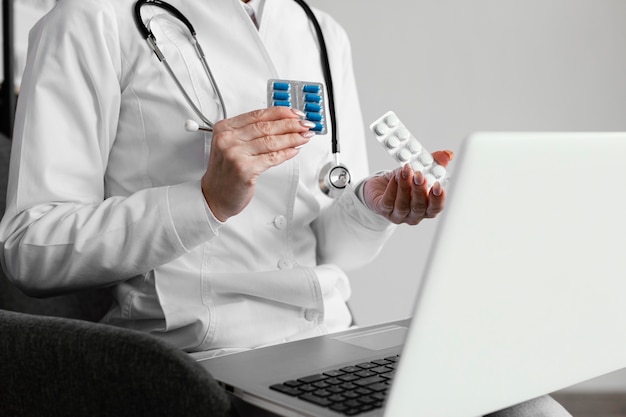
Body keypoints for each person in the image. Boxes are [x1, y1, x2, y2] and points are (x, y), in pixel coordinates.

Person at [0, 0, 572, 415]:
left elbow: (331, 246)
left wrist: (370, 206)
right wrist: (205, 201)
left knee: (533, 408)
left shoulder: (319, 32)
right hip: (198, 358)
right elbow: (29, 248)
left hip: (330, 340)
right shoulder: (91, 18)